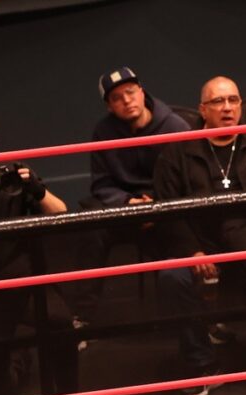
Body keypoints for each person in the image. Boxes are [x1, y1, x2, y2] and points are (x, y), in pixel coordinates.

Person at [153, 76, 246, 395]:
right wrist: (193, 252)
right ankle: (202, 365)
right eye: (218, 102)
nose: (227, 108)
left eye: (233, 100)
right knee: (173, 278)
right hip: (201, 248)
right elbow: (167, 211)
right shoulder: (177, 153)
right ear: (203, 110)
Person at [0, 109, 83, 395]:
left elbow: (60, 212)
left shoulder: (9, 174)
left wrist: (38, 191)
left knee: (61, 325)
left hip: (18, 278)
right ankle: (19, 361)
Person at [73, 67, 191, 326]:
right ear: (109, 106)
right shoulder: (102, 132)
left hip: (164, 206)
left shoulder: (174, 126)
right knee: (90, 228)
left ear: (141, 91)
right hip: (125, 209)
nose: (127, 100)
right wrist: (129, 204)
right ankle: (82, 317)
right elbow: (102, 184)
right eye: (117, 98)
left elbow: (187, 178)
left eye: (130, 92)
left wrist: (156, 204)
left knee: (181, 232)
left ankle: (186, 319)